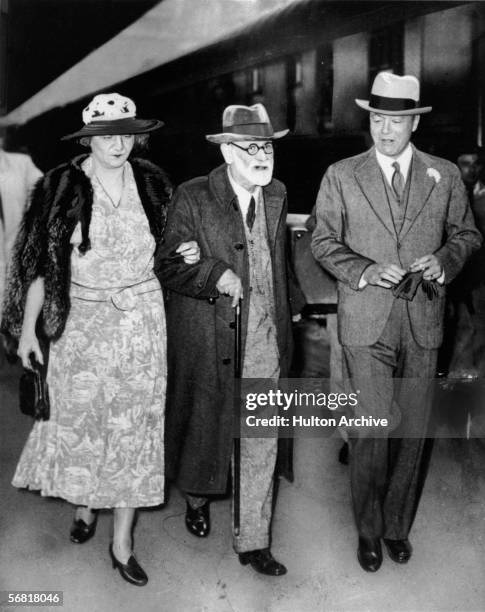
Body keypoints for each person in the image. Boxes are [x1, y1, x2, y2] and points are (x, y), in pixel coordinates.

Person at [0, 93, 199, 586]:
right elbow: (40, 268)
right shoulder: (62, 185)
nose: (118, 144)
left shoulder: (153, 183)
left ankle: (123, 541)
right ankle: (87, 504)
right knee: (85, 422)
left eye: (127, 134)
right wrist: (28, 330)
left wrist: (187, 249)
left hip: (142, 323)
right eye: (107, 135)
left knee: (136, 428)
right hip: (83, 325)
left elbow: (170, 249)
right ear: (88, 138)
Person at [311, 72, 481, 573]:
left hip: (424, 320)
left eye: (395, 120)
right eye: (377, 119)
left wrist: (445, 260)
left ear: (413, 123)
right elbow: (322, 241)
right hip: (367, 322)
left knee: (412, 430)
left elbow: (467, 234)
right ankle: (367, 530)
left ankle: (396, 527)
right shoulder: (342, 174)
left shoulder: (444, 174)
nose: (385, 130)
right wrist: (362, 269)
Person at [155, 103, 304, 576]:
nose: (262, 155)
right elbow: (169, 265)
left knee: (260, 436)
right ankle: (198, 498)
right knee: (208, 428)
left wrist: (292, 304)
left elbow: (279, 260)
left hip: (265, 335)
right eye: (250, 147)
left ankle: (253, 541)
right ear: (227, 151)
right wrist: (215, 273)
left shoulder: (277, 193)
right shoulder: (193, 196)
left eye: (267, 145)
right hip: (210, 338)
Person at [0, 129, 42, 364]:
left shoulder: (20, 164)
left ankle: (11, 335)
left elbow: (42, 189)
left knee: (15, 294)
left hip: (15, 244)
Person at [444, 147, 485, 378]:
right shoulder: (448, 197)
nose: (471, 169)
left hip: (480, 277)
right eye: (465, 163)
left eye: (476, 164)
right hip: (455, 275)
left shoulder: (482, 198)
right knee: (459, 329)